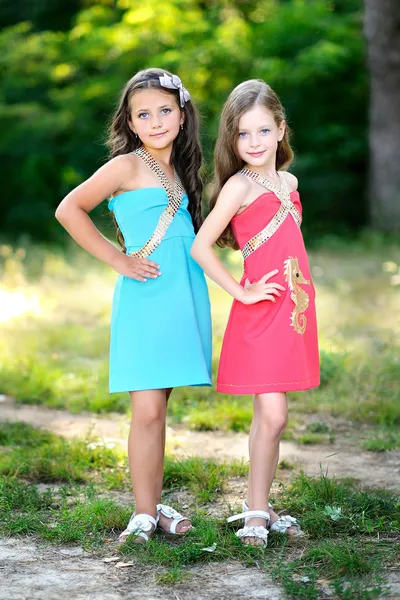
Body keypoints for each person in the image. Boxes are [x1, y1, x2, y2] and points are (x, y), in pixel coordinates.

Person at [56, 68, 212, 543]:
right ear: (130, 120)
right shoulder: (126, 165)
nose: (156, 120)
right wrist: (116, 259)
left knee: (158, 408)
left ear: (182, 116)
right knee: (146, 409)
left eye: (165, 110)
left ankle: (152, 503)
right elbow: (69, 209)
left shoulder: (180, 170)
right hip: (146, 296)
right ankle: (143, 514)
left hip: (182, 295)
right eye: (144, 113)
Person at [191, 79, 320, 546]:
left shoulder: (290, 182)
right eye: (243, 135)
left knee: (270, 416)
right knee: (274, 414)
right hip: (259, 311)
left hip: (293, 313)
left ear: (281, 130)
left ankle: (257, 504)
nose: (254, 143)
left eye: (263, 131)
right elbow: (202, 247)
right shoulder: (238, 187)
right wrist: (239, 293)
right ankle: (256, 512)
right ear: (232, 140)